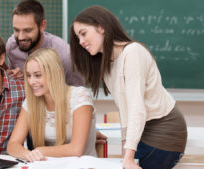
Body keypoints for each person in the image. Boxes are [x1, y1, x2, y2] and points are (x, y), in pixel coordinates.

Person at [70, 6, 187, 169]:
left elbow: (136, 108)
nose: (81, 42)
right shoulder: (107, 65)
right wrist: (125, 156)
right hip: (144, 133)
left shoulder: (133, 52)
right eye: (78, 37)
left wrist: (129, 157)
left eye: (83, 33)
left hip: (164, 132)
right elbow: (125, 112)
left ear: (101, 27)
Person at [7, 48, 97, 162]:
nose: (31, 81)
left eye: (38, 75)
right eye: (29, 75)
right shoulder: (31, 102)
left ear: (57, 73)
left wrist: (39, 151)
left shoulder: (80, 96)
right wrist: (28, 154)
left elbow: (75, 150)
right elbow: (12, 145)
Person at [6, 0, 84, 86]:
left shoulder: (65, 56)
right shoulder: (12, 47)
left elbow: (78, 91)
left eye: (27, 30)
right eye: (16, 30)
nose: (21, 37)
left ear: (42, 26)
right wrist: (18, 76)